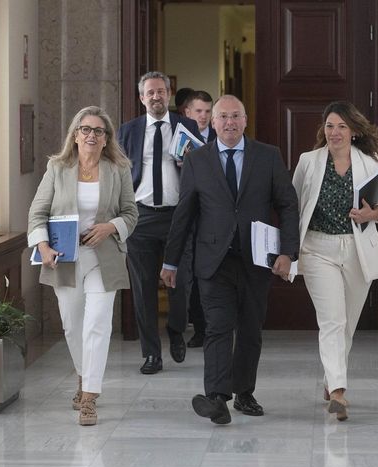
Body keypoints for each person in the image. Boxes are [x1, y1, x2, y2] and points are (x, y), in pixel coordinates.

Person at [161, 95, 299, 424]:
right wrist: (171, 262)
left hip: (257, 260)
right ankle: (218, 398)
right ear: (212, 122)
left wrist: (288, 252)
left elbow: (288, 205)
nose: (229, 123)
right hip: (214, 262)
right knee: (218, 329)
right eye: (222, 117)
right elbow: (184, 214)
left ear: (245, 120)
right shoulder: (197, 161)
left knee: (250, 330)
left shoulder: (268, 157)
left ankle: (244, 393)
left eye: (235, 116)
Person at [27, 106, 138, 426]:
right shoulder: (57, 168)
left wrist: (110, 226)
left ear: (106, 139)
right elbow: (37, 212)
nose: (91, 135)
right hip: (64, 258)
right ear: (75, 136)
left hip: (105, 258)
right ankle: (83, 374)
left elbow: (131, 213)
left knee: (97, 324)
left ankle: (90, 396)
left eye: (98, 131)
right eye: (85, 129)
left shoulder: (118, 169)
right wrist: (43, 245)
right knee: (73, 326)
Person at [291, 101, 378, 421]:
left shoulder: (371, 165)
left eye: (341, 127)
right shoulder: (308, 161)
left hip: (357, 250)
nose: (334, 133)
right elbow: (293, 204)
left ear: (354, 131)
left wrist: (369, 214)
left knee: (346, 324)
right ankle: (338, 391)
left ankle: (330, 378)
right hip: (318, 249)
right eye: (330, 126)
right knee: (332, 320)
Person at [118, 72, 203, 374]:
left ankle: (177, 330)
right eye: (150, 92)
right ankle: (151, 353)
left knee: (181, 283)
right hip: (140, 218)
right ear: (142, 98)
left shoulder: (188, 126)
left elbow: (204, 169)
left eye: (161, 92)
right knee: (143, 289)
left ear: (169, 94)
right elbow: (118, 174)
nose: (156, 97)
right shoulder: (127, 131)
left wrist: (190, 163)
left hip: (179, 217)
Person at [181, 90, 216, 348]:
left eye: (207, 111)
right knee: (191, 272)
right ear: (188, 113)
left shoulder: (222, 137)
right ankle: (198, 328)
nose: (203, 116)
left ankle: (215, 326)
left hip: (214, 215)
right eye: (199, 111)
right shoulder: (178, 138)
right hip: (187, 213)